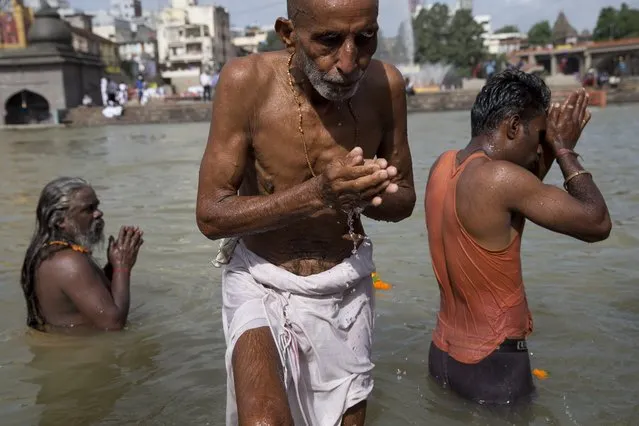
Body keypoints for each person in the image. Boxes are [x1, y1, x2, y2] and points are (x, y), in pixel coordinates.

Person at [195, 0, 416, 424]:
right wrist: (318, 195)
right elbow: (210, 215)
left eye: (365, 38)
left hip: (344, 281)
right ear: (288, 33)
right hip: (260, 276)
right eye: (329, 41)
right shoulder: (245, 82)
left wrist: (365, 192)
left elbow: (404, 199)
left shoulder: (386, 84)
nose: (350, 61)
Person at [424, 70, 611, 405]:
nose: (541, 150)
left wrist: (549, 147)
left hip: (442, 356)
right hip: (494, 366)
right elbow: (597, 222)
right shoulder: (501, 179)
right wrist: (564, 149)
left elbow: (516, 198)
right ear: (512, 127)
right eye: (539, 137)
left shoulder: (443, 166)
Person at [20, 177, 144, 333]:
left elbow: (93, 294)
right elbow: (113, 323)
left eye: (97, 206)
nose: (99, 213)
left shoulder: (52, 253)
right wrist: (122, 267)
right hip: (81, 352)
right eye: (88, 209)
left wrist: (112, 267)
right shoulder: (68, 262)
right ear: (60, 221)